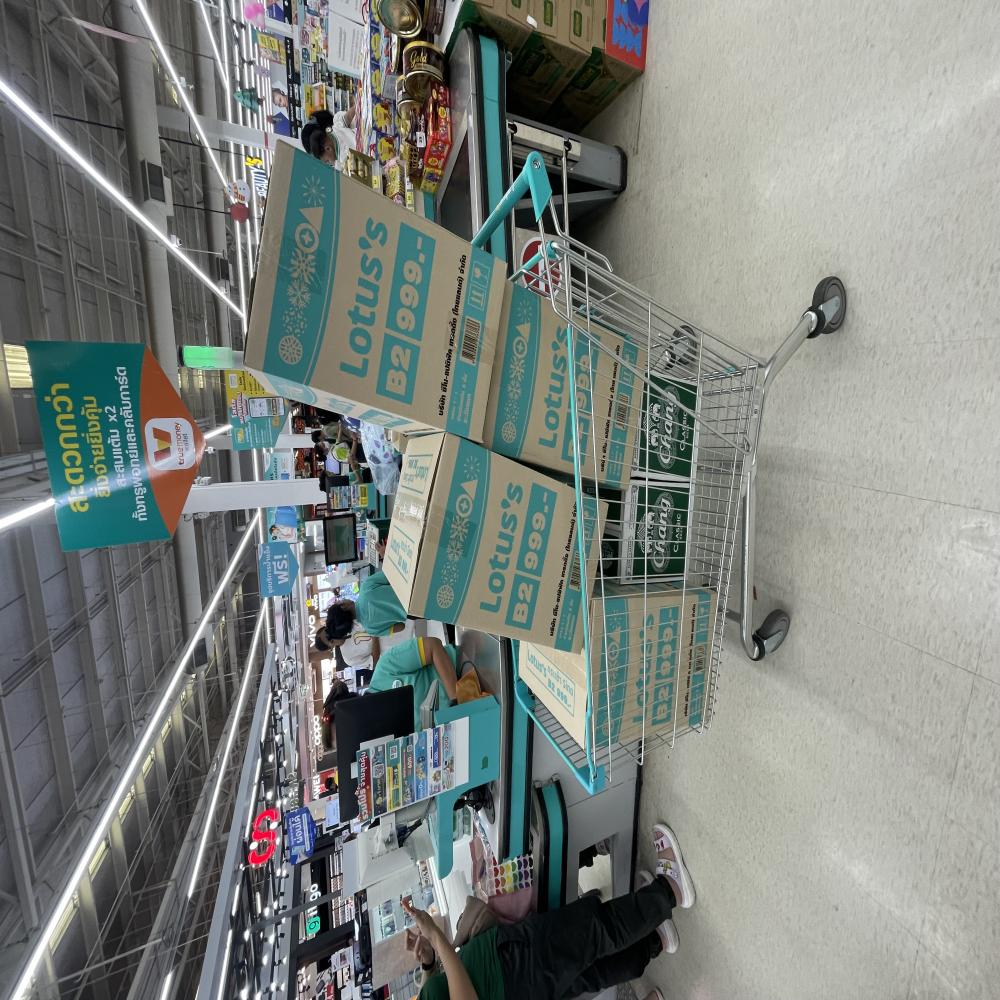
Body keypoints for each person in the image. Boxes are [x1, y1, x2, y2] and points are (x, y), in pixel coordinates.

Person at [405, 822, 696, 1000]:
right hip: (510, 973)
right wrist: (436, 937)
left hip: (513, 981)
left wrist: (429, 965)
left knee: (589, 972)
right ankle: (670, 890)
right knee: (591, 931)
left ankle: (652, 939)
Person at [317, 568, 406, 642]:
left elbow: (401, 626)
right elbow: (392, 573)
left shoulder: (371, 630)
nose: (342, 599)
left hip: (412, 612)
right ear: (343, 606)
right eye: (339, 601)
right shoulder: (366, 587)